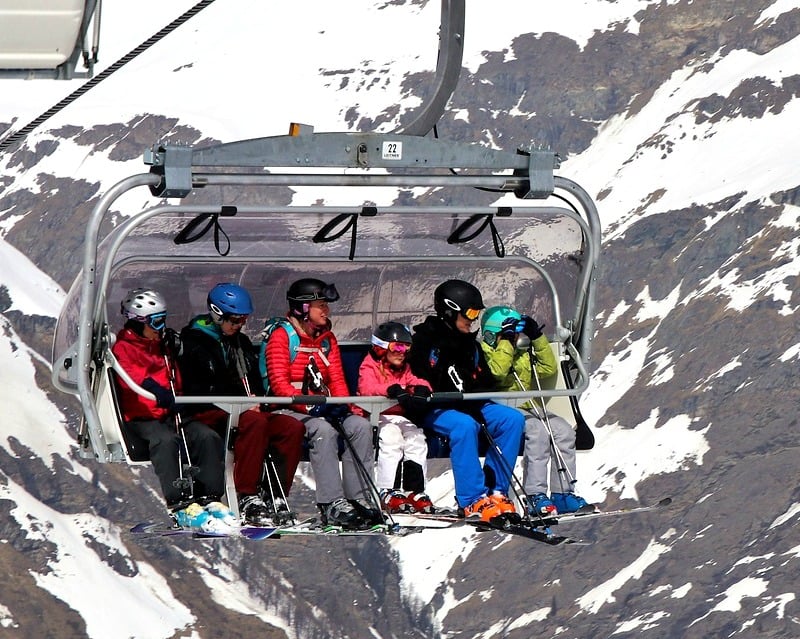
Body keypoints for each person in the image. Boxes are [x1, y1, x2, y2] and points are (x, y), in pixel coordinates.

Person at [178, 282, 306, 526]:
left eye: (243, 320)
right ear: (217, 314)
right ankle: (247, 495)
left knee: (291, 427)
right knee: (254, 422)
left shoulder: (241, 344)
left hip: (243, 410)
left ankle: (274, 495)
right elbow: (199, 386)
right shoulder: (193, 343)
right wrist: (241, 402)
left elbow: (254, 381)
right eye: (234, 320)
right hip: (211, 411)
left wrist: (257, 399)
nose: (239, 326)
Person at [111, 288, 236, 533]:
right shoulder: (124, 348)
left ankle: (209, 497)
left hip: (170, 411)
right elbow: (133, 378)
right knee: (165, 441)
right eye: (156, 321)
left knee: (205, 436)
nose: (161, 327)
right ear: (139, 322)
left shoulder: (161, 345)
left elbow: (174, 374)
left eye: (164, 319)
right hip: (143, 415)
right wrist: (160, 393)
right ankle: (180, 504)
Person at [264, 277, 381, 530]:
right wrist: (309, 406)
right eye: (320, 305)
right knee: (323, 431)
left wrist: (342, 406)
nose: (326, 310)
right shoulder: (282, 337)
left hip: (323, 406)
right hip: (289, 409)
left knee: (359, 426)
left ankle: (359, 498)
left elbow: (336, 377)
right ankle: (331, 503)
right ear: (303, 309)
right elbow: (279, 385)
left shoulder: (328, 339)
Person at [407, 279, 525, 525]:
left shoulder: (470, 343)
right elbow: (416, 374)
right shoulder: (425, 340)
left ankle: (496, 491)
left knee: (512, 419)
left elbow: (481, 377)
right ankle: (472, 499)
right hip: (436, 407)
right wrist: (422, 390)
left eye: (476, 313)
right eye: (470, 312)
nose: (473, 319)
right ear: (449, 311)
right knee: (464, 426)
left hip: (469, 403)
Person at [480, 305, 590, 516]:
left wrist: (537, 337)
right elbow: (498, 373)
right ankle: (535, 494)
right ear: (493, 335)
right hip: (501, 407)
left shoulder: (522, 353)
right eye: (508, 334)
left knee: (563, 430)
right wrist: (507, 343)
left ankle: (563, 492)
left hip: (526, 406)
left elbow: (548, 368)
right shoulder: (484, 352)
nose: (515, 339)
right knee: (537, 432)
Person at [357, 321, 434, 514]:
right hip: (375, 415)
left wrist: (423, 387)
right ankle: (386, 489)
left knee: (417, 438)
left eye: (407, 347)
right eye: (398, 346)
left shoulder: (403, 368)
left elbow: (413, 380)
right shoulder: (369, 366)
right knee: (391, 438)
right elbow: (367, 389)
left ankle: (413, 489)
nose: (402, 352)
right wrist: (390, 390)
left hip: (396, 416)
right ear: (382, 347)